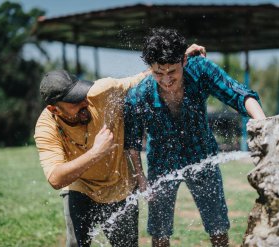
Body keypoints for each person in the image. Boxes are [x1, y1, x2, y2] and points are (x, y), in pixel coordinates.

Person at [34, 44, 205, 247]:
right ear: (54, 109)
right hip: (82, 188)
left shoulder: (101, 92)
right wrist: (96, 152)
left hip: (120, 187)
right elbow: (55, 178)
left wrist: (179, 56)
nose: (84, 102)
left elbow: (143, 78)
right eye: (74, 101)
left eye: (81, 94)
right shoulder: (46, 128)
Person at [124, 28, 266, 247]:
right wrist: (141, 178)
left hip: (202, 154)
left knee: (218, 225)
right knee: (159, 231)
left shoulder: (200, 70)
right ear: (150, 68)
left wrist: (263, 123)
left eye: (172, 71)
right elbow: (132, 142)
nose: (166, 80)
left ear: (183, 60)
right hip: (161, 160)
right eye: (158, 73)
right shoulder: (140, 94)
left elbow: (238, 93)